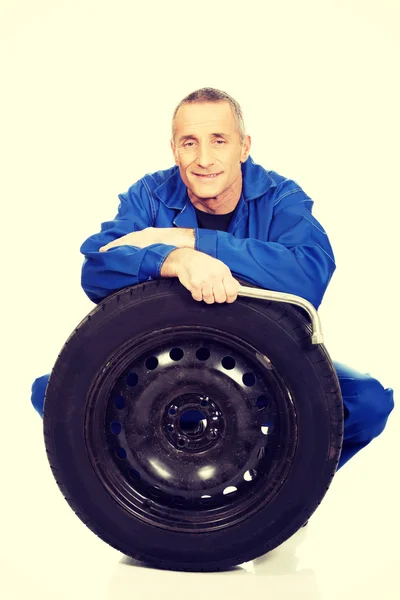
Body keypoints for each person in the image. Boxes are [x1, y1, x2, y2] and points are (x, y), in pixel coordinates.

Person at [31, 87, 394, 472]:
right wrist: (175, 260)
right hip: (161, 363)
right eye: (190, 143)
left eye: (219, 141)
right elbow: (97, 268)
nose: (204, 159)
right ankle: (153, 492)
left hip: (263, 364)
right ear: (174, 150)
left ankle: (279, 493)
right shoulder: (149, 195)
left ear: (244, 146)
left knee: (367, 403)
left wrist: (191, 240)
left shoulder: (280, 197)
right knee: (54, 394)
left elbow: (309, 273)